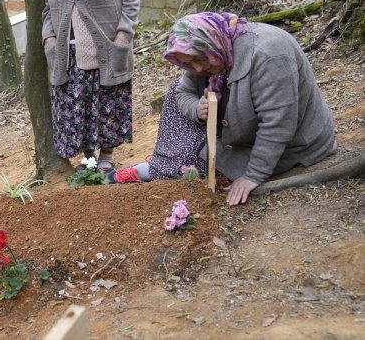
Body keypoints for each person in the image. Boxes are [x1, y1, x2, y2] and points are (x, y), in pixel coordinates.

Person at [110, 12, 337, 206]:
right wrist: (196, 109)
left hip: (291, 145)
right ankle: (160, 165)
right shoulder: (211, 49)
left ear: (210, 43)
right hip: (237, 131)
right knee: (173, 93)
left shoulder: (268, 56)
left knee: (192, 164)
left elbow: (278, 124)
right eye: (188, 63)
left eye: (197, 60)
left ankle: (159, 169)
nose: (197, 68)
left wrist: (253, 175)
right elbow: (183, 92)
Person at [41, 0, 141, 173]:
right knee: (77, 106)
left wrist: (123, 35)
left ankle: (106, 154)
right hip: (67, 50)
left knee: (107, 102)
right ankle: (89, 156)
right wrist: (49, 37)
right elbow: (47, 6)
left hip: (106, 46)